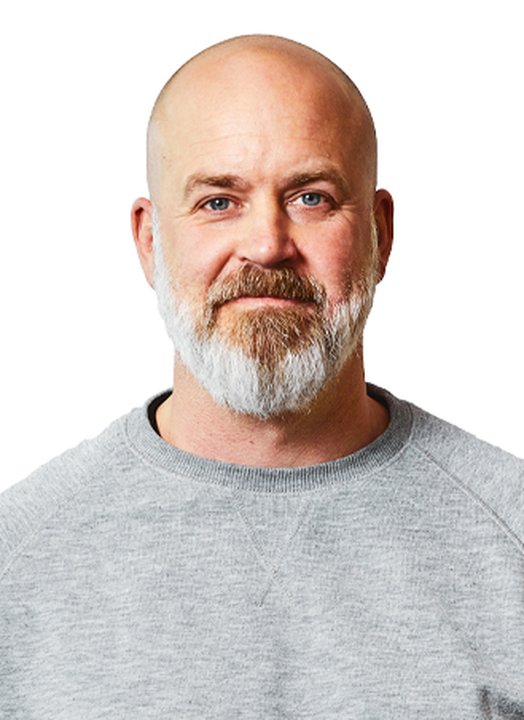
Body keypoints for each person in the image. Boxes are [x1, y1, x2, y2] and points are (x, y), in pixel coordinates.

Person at [1, 34, 523, 719]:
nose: (267, 245)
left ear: (380, 234)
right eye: (219, 201)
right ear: (150, 241)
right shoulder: (17, 563)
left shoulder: (511, 537)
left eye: (311, 197)